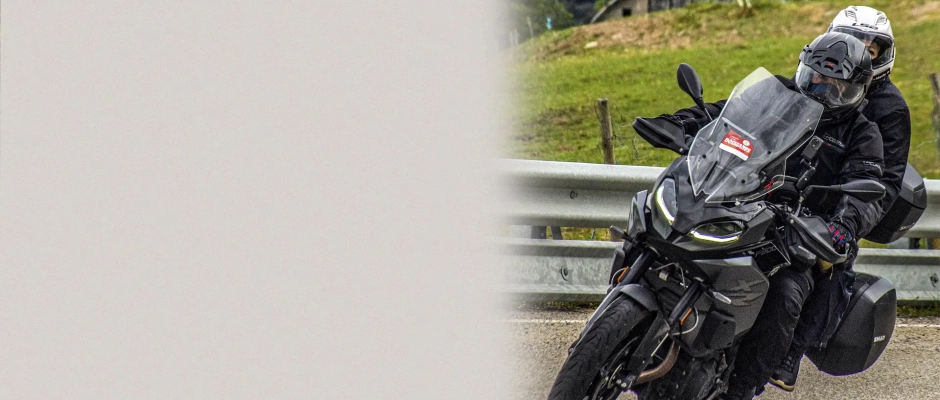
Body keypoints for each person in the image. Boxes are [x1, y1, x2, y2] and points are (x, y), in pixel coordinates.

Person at [655, 31, 884, 400]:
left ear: (857, 90)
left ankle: (740, 389)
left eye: (836, 85)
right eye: (816, 77)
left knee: (787, 294)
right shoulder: (776, 93)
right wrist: (677, 123)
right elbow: (721, 114)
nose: (822, 88)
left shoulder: (862, 133)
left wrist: (841, 227)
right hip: (741, 201)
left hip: (799, 233)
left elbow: (865, 191)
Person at [769, 6, 912, 392]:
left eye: (871, 48)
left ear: (883, 55)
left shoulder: (889, 109)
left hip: (840, 201)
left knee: (828, 265)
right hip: (789, 184)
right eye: (853, 41)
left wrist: (847, 222)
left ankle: (791, 352)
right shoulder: (816, 77)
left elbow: (886, 182)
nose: (861, 50)